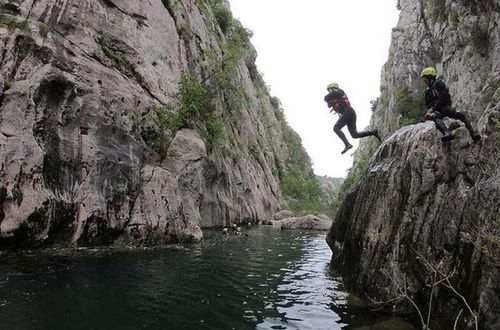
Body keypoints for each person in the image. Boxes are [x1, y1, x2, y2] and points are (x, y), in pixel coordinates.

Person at [421, 67, 481, 142]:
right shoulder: (427, 92)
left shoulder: (439, 84)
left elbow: (444, 97)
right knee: (434, 116)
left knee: (461, 115)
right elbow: (427, 105)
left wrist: (433, 108)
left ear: (430, 77)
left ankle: (473, 134)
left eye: (424, 78)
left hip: (445, 108)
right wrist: (428, 112)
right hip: (437, 112)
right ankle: (447, 133)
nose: (424, 81)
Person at [324, 83, 381, 154]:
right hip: (350, 114)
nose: (329, 91)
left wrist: (329, 100)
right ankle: (373, 132)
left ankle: (347, 144)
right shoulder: (334, 96)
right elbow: (328, 105)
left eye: (329, 89)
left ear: (333, 88)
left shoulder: (338, 91)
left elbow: (326, 98)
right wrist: (330, 102)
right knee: (354, 135)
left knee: (336, 128)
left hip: (348, 112)